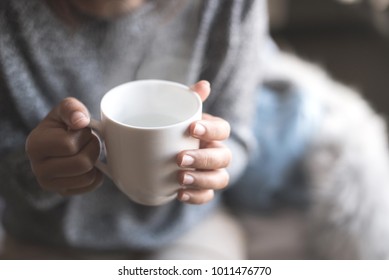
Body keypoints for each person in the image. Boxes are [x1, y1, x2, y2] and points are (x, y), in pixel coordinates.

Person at [0, 0, 266, 259]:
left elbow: (239, 135)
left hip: (185, 226)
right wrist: (34, 171)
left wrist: (215, 161)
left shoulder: (230, 5)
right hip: (48, 235)